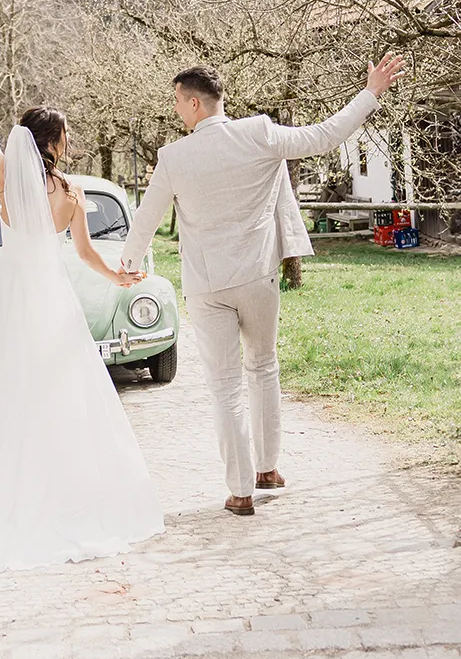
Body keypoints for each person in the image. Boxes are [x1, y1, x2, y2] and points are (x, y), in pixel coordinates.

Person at [120, 53, 406, 516]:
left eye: (177, 102)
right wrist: (370, 91)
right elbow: (325, 136)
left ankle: (240, 491)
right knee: (263, 367)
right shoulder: (259, 133)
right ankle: (268, 468)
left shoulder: (173, 157)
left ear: (193, 103)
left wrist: (129, 264)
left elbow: (146, 219)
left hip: (208, 285)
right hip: (258, 275)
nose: (177, 110)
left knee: (225, 386)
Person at [0, 50, 164, 572]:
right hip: (53, 294)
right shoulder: (73, 192)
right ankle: (72, 490)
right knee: (65, 387)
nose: (71, 144)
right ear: (54, 145)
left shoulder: (6, 181)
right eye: (66, 137)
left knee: (15, 389)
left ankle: (18, 490)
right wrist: (118, 277)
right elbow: (85, 254)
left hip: (14, 294)